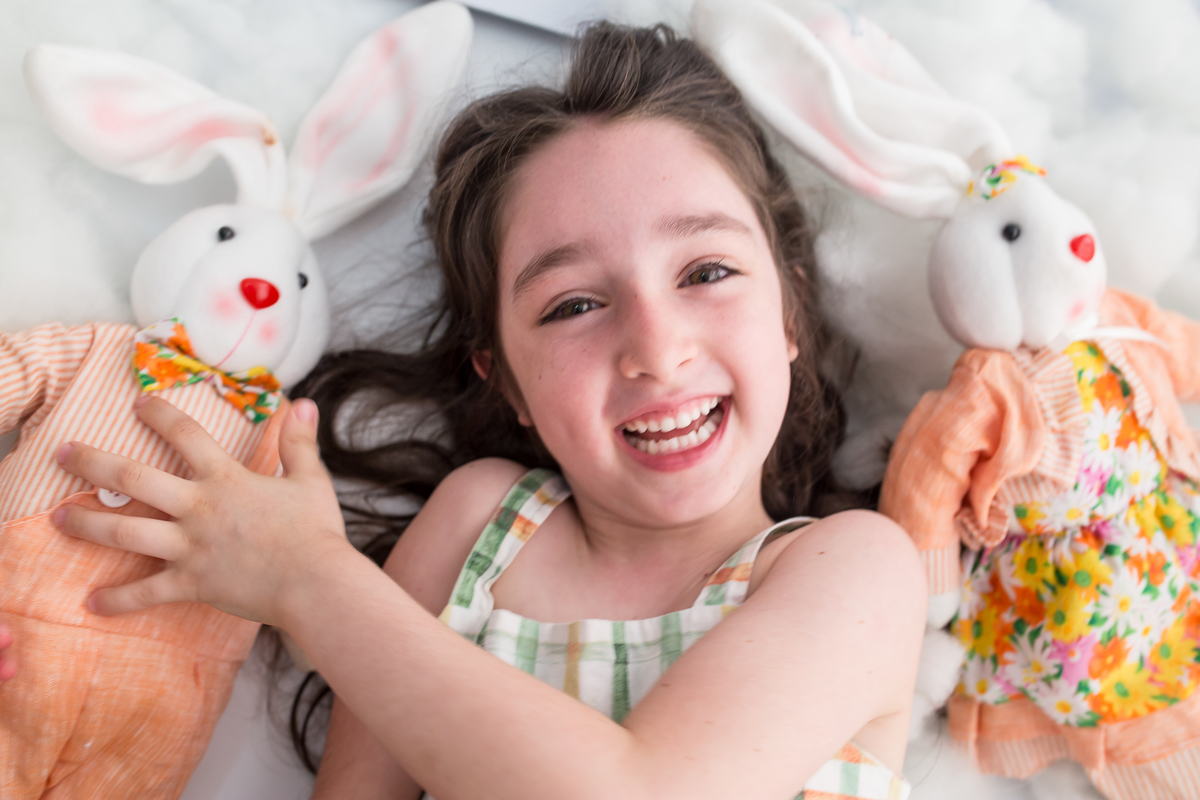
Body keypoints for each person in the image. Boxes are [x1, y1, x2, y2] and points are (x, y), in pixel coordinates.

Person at [7, 22, 926, 800]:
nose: (656, 347)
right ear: (507, 381)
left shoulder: (854, 570)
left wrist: (310, 582)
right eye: (574, 304)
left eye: (707, 271)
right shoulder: (481, 528)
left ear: (790, 314)